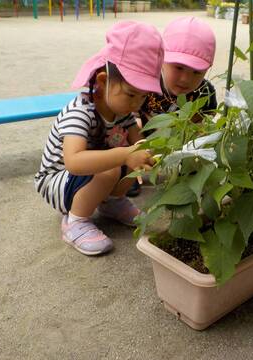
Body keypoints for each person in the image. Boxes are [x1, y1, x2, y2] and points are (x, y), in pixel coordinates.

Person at [34, 21, 164, 256]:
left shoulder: (122, 112)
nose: (136, 104)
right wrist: (125, 154)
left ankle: (112, 202)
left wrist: (149, 152)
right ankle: (75, 221)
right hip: (57, 183)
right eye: (131, 94)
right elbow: (74, 162)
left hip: (86, 179)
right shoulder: (80, 112)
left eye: (143, 97)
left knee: (127, 158)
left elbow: (139, 144)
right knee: (112, 165)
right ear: (104, 81)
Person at [127, 16, 217, 197]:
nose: (186, 79)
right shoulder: (147, 81)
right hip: (144, 135)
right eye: (178, 67)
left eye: (197, 72)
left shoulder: (205, 92)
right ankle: (129, 174)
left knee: (203, 137)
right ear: (162, 58)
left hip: (181, 141)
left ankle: (187, 171)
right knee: (123, 133)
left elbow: (202, 125)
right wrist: (140, 148)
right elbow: (130, 118)